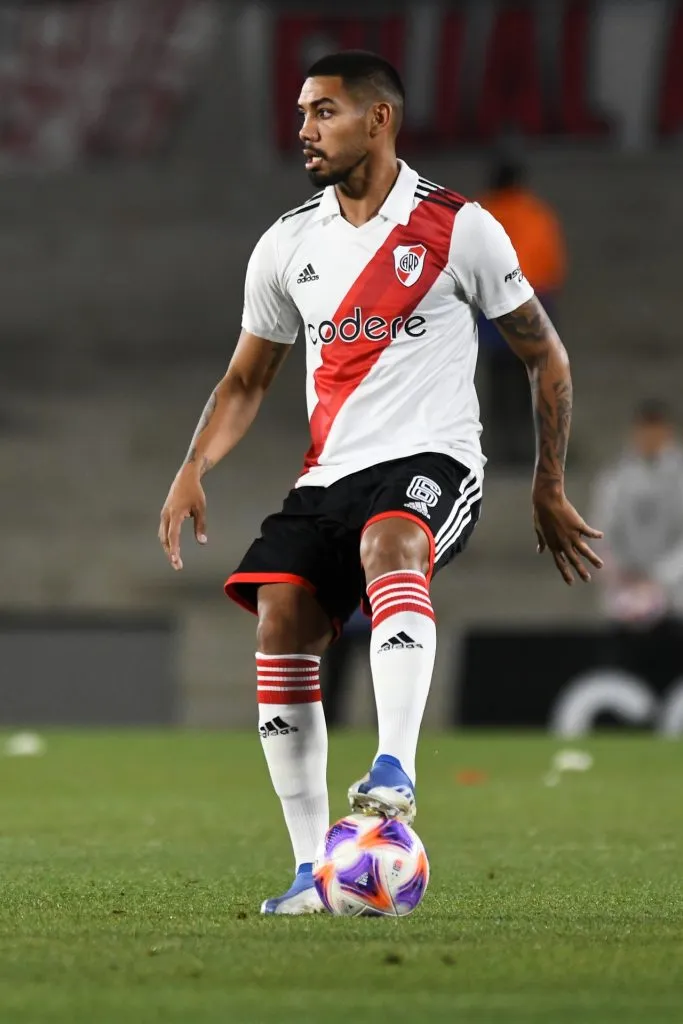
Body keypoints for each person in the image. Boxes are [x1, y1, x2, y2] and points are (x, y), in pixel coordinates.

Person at [158, 50, 602, 915]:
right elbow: (248, 380)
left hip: (434, 458)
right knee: (281, 610)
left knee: (389, 540)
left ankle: (392, 770)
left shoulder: (458, 226)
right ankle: (308, 874)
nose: (304, 130)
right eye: (299, 113)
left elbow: (542, 351)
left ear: (379, 118)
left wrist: (546, 482)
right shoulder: (289, 242)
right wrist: (192, 465)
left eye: (323, 111)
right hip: (330, 473)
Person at [477, 160, 567, 466]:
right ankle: (532, 450)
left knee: (498, 379)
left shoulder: (479, 214)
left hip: (491, 308)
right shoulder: (537, 214)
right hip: (531, 303)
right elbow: (553, 267)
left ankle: (499, 448)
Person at [591, 400, 683, 633]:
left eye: (656, 430)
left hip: (675, 594)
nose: (649, 437)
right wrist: (620, 572)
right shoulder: (615, 478)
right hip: (626, 589)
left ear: (667, 431)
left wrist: (659, 579)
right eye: (644, 430)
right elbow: (601, 533)